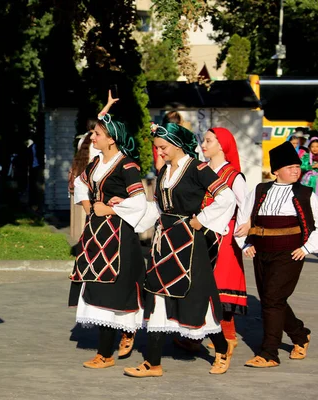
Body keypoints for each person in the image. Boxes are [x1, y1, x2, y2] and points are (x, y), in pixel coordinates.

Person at [122, 122, 236, 377]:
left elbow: (227, 197)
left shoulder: (198, 169)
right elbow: (158, 208)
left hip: (189, 241)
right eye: (157, 148)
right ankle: (153, 362)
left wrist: (202, 219)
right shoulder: (164, 172)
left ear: (176, 144)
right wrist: (131, 219)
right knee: (157, 294)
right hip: (164, 240)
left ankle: (221, 347)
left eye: (162, 147)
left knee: (195, 296)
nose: (159, 152)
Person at [68, 91, 147, 368]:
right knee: (98, 288)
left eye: (98, 134)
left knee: (112, 291)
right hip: (96, 235)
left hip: (119, 237)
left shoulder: (127, 165)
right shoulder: (96, 163)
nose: (93, 137)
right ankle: (117, 339)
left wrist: (111, 209)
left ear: (111, 138)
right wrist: (89, 206)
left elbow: (139, 202)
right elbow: (80, 183)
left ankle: (106, 353)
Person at [236, 141, 315, 368]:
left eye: (297, 166)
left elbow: (317, 224)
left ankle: (269, 353)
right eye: (290, 167)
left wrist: (307, 248)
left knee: (271, 300)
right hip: (262, 252)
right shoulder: (261, 190)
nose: (296, 170)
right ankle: (301, 336)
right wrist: (244, 243)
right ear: (276, 170)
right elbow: (244, 217)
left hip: (290, 253)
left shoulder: (305, 193)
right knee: (273, 299)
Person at [199, 127, 247, 351]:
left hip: (225, 235)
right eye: (203, 141)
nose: (204, 145)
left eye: (209, 141)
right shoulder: (202, 170)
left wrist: (244, 232)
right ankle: (195, 335)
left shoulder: (233, 175)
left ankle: (227, 336)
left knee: (221, 286)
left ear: (222, 145)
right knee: (201, 284)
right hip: (202, 231)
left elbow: (245, 206)